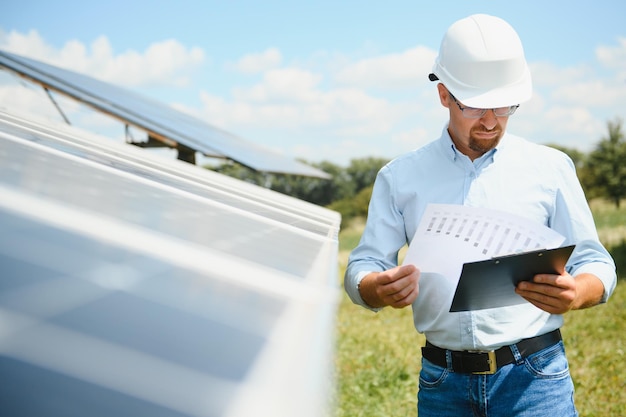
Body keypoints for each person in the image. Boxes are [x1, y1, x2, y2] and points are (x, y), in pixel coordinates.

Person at [344, 13, 617, 417]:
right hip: (442, 383)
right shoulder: (399, 177)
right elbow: (362, 265)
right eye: (475, 105)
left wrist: (579, 292)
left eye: (504, 105)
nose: (491, 121)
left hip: (535, 379)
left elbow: (596, 262)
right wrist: (374, 287)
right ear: (444, 95)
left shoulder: (551, 168)